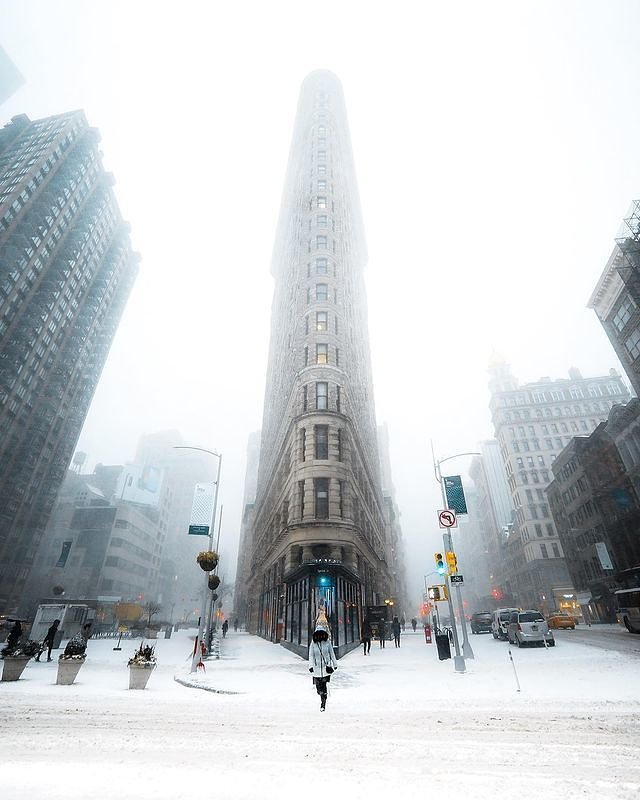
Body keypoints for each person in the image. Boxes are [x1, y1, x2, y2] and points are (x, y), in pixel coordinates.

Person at [308, 624, 338, 711]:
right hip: (316, 669)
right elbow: (311, 655)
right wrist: (311, 666)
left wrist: (335, 664)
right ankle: (321, 695)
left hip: (326, 668)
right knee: (318, 688)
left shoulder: (327, 642)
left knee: (324, 686)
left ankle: (323, 703)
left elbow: (332, 653)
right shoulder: (313, 644)